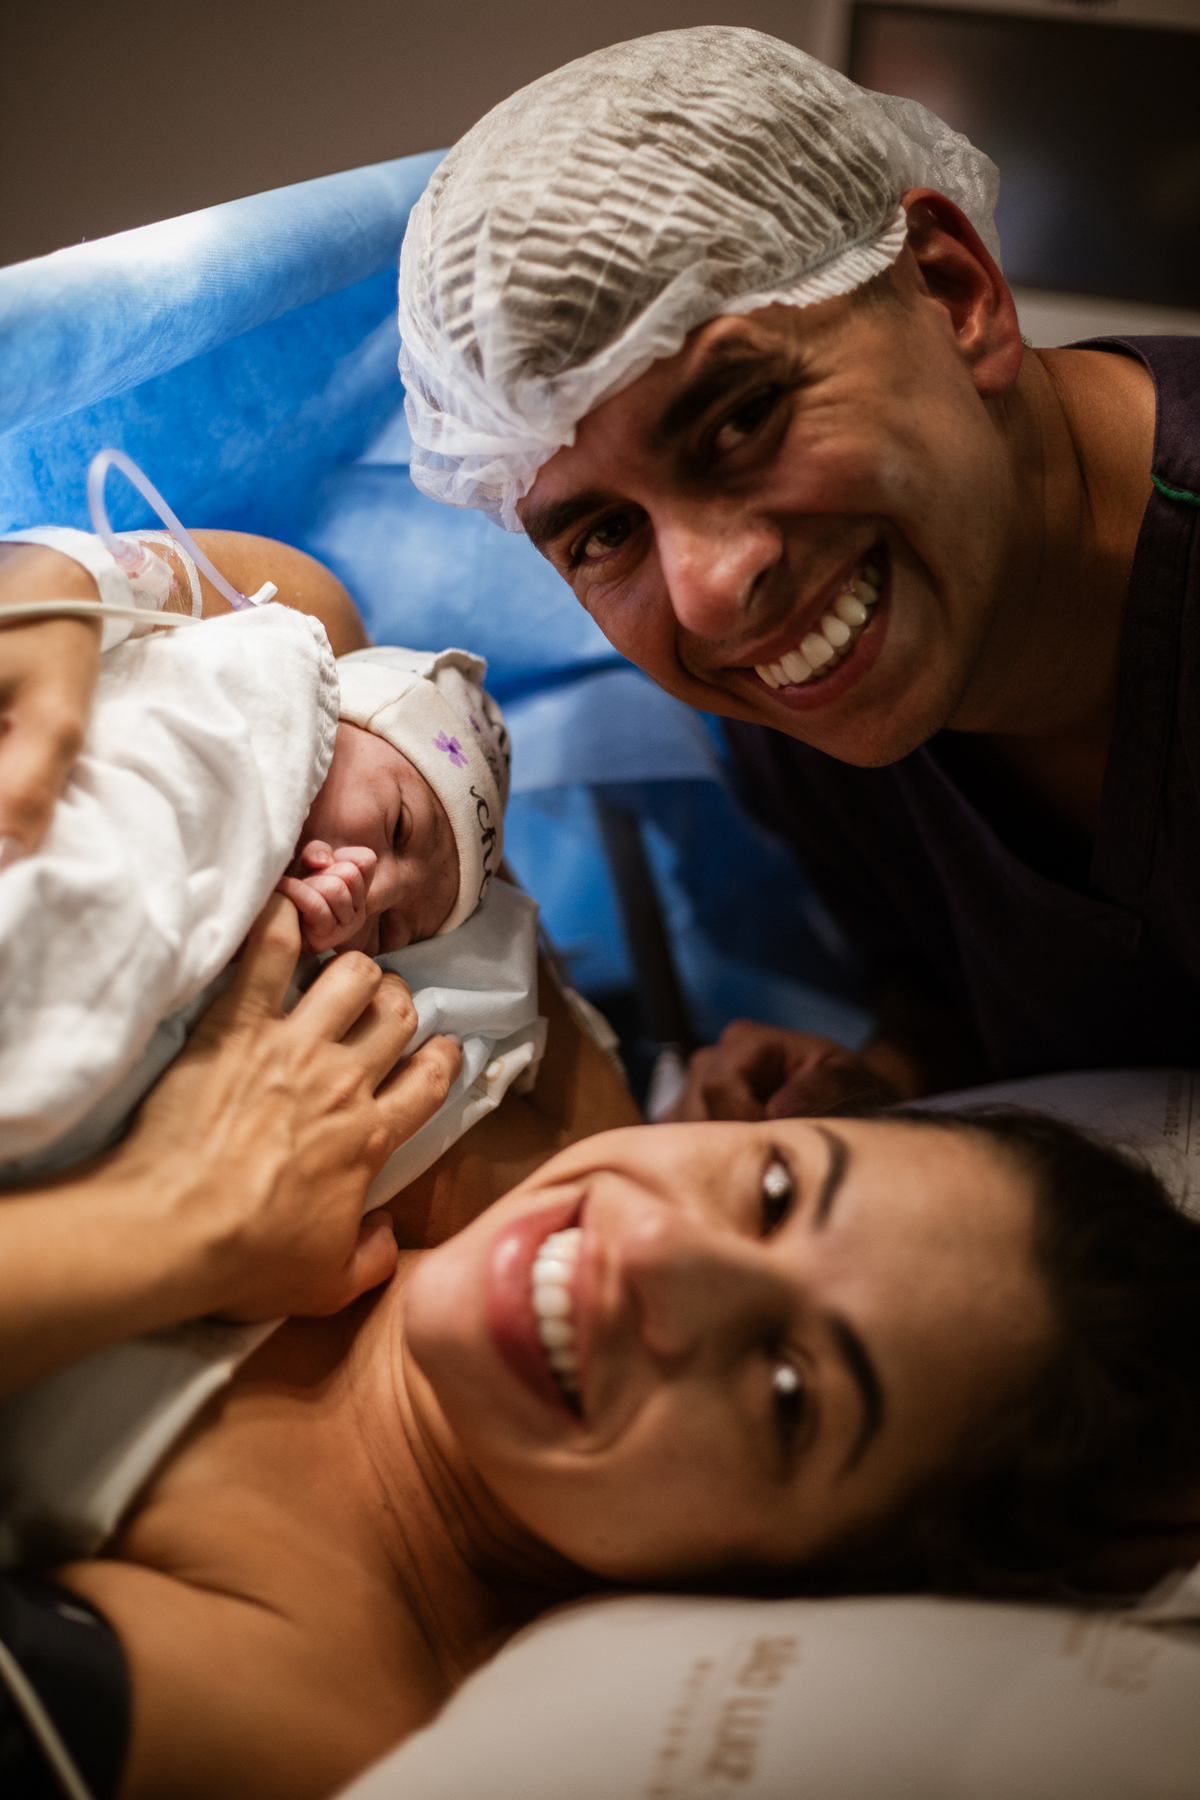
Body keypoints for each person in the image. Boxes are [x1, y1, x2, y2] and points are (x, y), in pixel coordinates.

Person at [386, 25, 1200, 1120]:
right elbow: (998, 990)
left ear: (953, 290)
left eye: (741, 420)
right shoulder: (822, 697)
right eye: (605, 534)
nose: (712, 591)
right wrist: (886, 1082)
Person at [5, 1058, 1200, 1799]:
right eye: (775, 1191)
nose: (659, 1255)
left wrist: (172, 1222)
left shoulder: (304, 1688)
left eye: (789, 1394)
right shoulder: (535, 1086)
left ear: (797, 1583)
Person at [0, 526, 518, 1190]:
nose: (377, 889)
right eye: (398, 826)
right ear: (345, 718)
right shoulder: (272, 674)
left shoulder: (280, 964)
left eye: (392, 930)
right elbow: (66, 582)